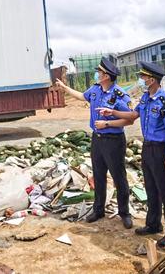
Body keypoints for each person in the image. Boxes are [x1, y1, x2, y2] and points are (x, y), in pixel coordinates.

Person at [98, 61, 165, 248]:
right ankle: (153, 224)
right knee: (151, 188)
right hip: (148, 148)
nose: (140, 80)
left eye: (143, 77)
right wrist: (112, 112)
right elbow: (133, 116)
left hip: (161, 149)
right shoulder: (145, 98)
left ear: (151, 79)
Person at [56, 57, 133, 229]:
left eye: (99, 72)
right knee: (98, 175)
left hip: (114, 141)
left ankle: (124, 213)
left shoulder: (120, 95)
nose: (97, 74)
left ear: (106, 76)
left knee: (119, 178)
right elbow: (82, 96)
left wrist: (107, 123)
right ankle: (98, 209)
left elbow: (129, 120)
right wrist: (64, 88)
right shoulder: (95, 90)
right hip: (97, 140)